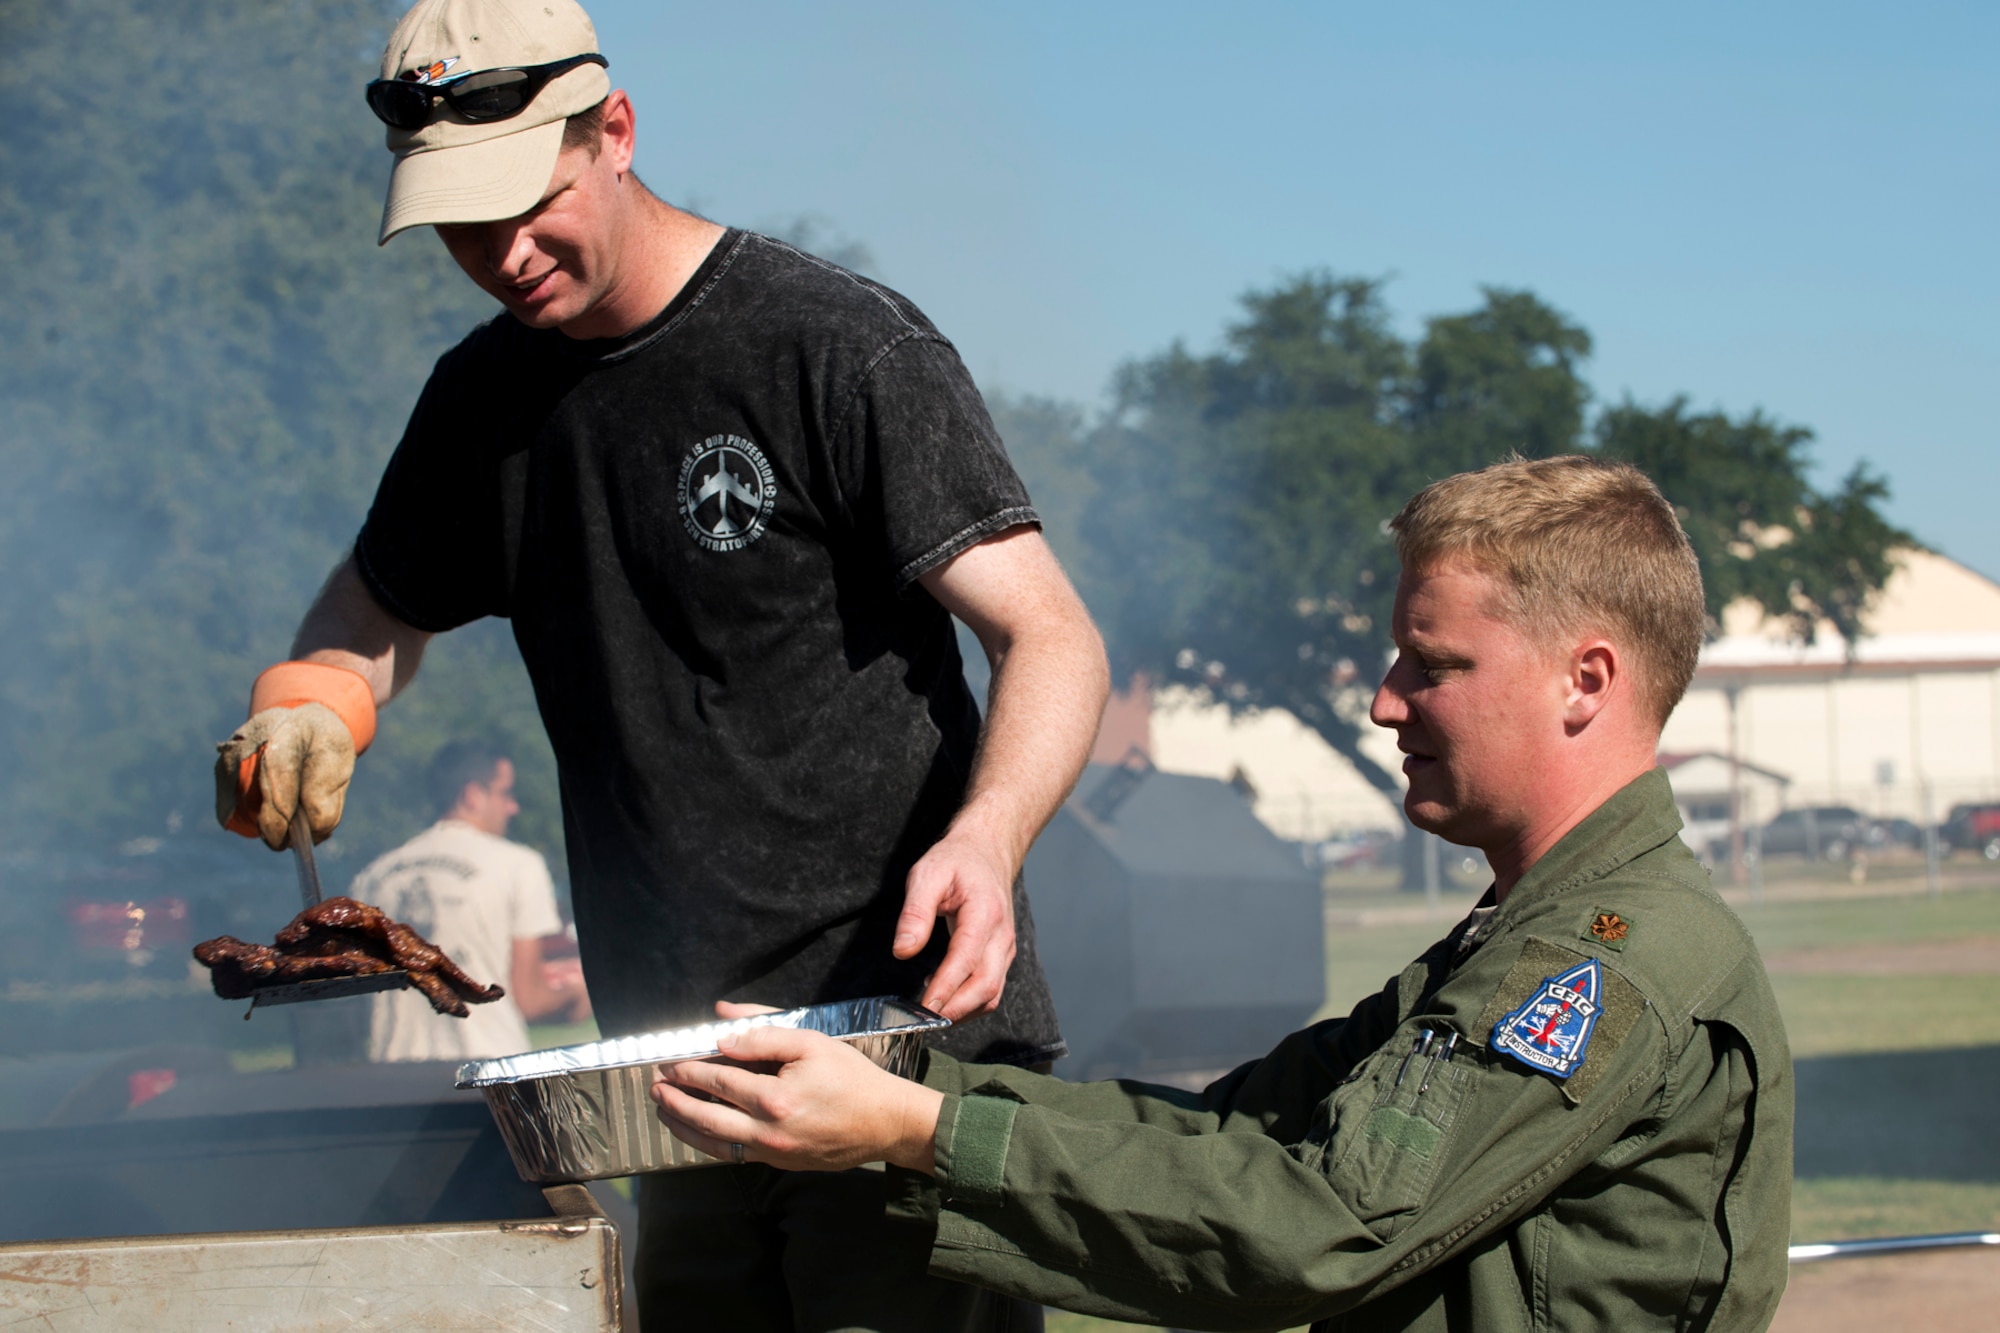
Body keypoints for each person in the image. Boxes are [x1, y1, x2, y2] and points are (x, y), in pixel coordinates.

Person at [209, 0, 1108, 1326]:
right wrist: (310, 705)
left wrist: (991, 836)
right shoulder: (482, 404)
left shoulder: (832, 344)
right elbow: (367, 615)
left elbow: (1050, 636)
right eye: (461, 224)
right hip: (671, 1076)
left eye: (527, 201)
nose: (504, 253)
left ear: (615, 132)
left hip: (895, 1045)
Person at [651, 456, 1796, 1333]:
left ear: (1584, 679)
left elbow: (1321, 1219)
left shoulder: (1607, 957)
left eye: (1430, 664)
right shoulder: (1527, 930)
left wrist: (921, 1130)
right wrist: (895, 1094)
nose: (1384, 704)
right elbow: (1234, 1131)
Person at [353, 740, 589, 1062]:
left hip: (392, 1076)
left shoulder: (372, 877)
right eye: (506, 793)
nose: (513, 807)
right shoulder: (518, 865)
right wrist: (583, 994)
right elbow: (531, 1000)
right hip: (488, 1071)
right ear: (472, 795)